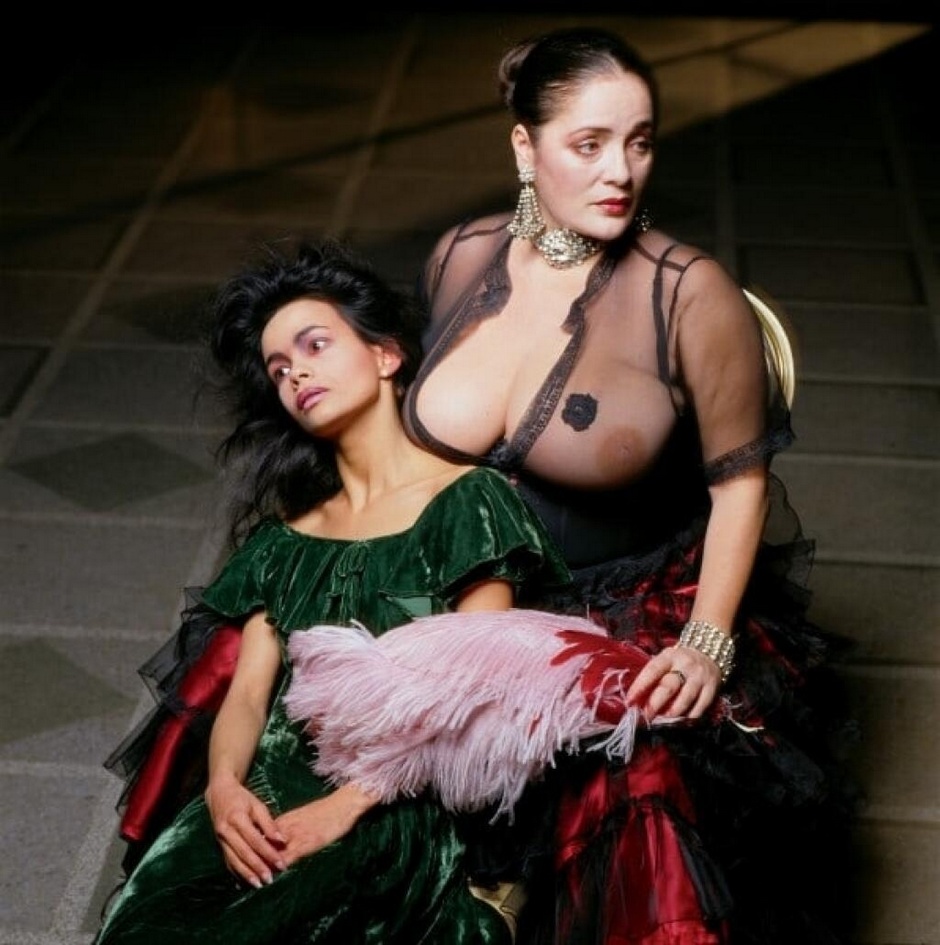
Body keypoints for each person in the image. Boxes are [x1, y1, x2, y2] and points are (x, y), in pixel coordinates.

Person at [402, 26, 859, 945]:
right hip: (458, 590)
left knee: (633, 820)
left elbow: (740, 487)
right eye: (590, 144)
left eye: (640, 142)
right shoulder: (459, 256)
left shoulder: (690, 293)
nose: (621, 171)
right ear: (525, 147)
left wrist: (706, 644)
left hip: (621, 607)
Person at [93, 238, 571, 944]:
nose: (296, 374)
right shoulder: (285, 541)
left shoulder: (470, 502)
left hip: (394, 801)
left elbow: (478, 690)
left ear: (386, 356)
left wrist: (345, 808)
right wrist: (223, 792)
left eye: (315, 345)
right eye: (279, 368)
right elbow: (248, 695)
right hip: (264, 789)